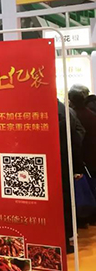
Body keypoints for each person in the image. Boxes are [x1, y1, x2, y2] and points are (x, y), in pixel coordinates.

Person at [58, 100, 84, 252]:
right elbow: (76, 141)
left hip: (60, 165)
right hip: (63, 164)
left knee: (64, 203)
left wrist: (77, 167)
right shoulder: (64, 110)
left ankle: (67, 240)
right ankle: (68, 239)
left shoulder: (61, 113)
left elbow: (74, 142)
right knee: (65, 202)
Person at [68, 86, 96, 175]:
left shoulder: (73, 115)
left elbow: (78, 136)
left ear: (71, 101)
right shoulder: (90, 114)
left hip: (83, 156)